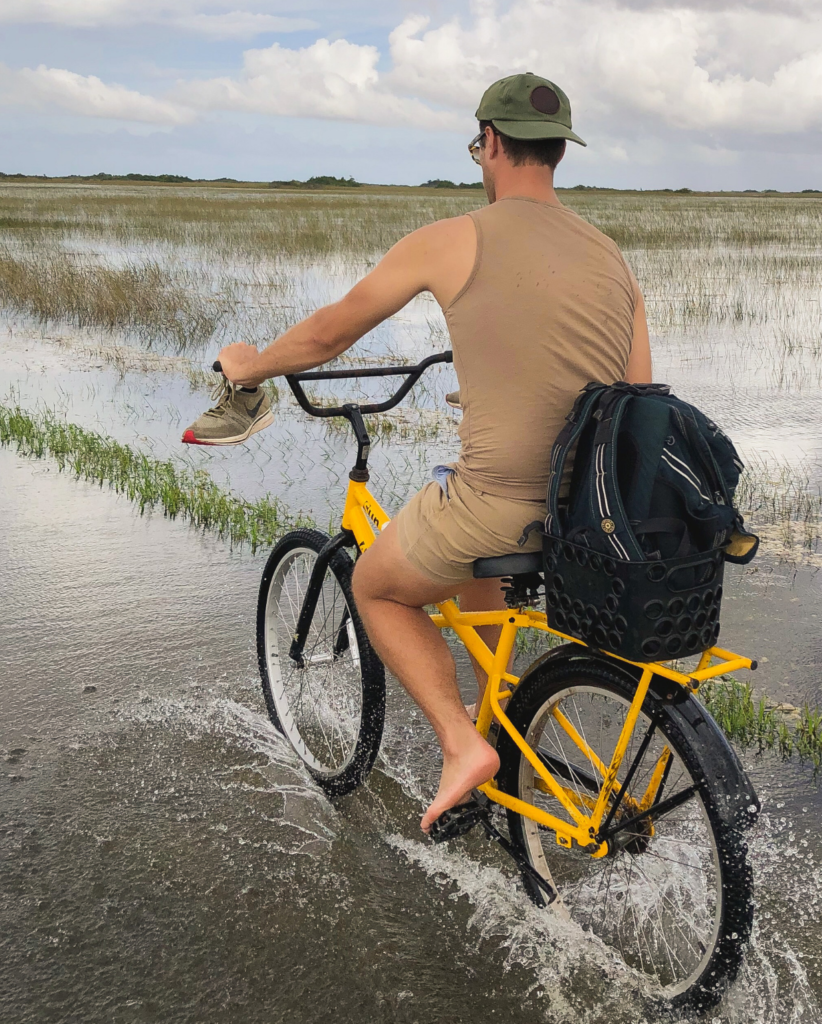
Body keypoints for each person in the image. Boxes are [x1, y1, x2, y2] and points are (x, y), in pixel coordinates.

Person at [183, 73, 652, 833]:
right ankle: (497, 718)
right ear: (561, 152)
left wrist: (250, 366)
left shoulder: (454, 237)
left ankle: (463, 745)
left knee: (376, 585)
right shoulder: (612, 258)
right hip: (590, 518)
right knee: (475, 584)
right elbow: (637, 394)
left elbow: (331, 332)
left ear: (490, 144)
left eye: (479, 145)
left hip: (499, 505)